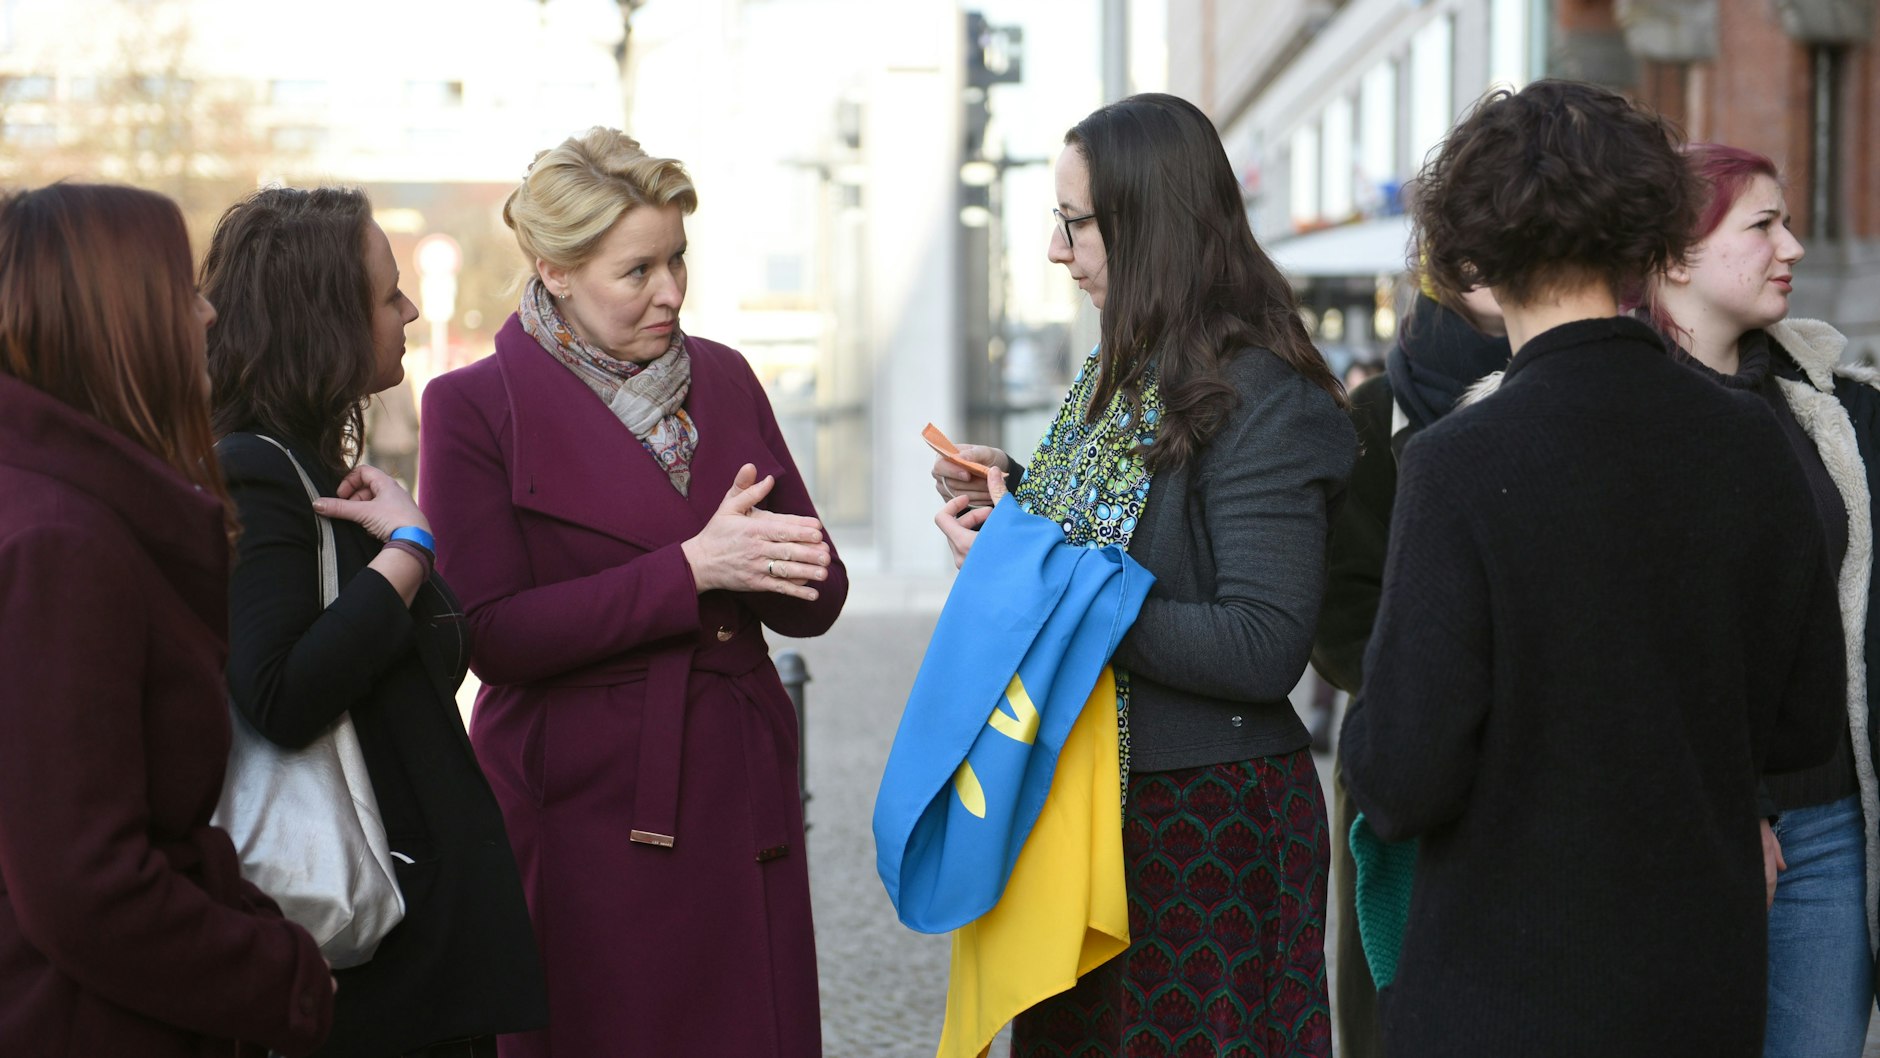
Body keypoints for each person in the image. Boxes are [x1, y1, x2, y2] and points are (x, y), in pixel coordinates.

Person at [1338, 80, 1846, 1057]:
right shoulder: (1748, 438)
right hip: (1697, 977)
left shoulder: (1456, 462)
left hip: (1503, 984)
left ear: (1474, 258)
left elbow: (1401, 772)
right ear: (1645, 236)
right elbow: (1803, 723)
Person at [932, 92, 1356, 1058]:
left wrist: (1044, 583)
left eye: (1075, 222)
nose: (1056, 250)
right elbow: (1129, 542)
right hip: (1087, 809)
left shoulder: (1266, 397)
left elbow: (1261, 645)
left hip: (1201, 831)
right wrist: (1016, 500)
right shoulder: (1121, 375)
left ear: (1149, 227)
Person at [417, 128, 846, 1058]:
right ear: (556, 272)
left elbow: (819, 596)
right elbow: (488, 635)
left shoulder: (723, 375)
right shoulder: (473, 407)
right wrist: (691, 570)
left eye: (677, 259)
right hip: (584, 803)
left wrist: (771, 562)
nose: (672, 291)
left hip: (736, 780)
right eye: (638, 270)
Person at [202, 186, 547, 1058]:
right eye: (388, 295)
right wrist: (408, 552)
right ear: (323, 322)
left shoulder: (317, 469)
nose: (411, 311)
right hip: (370, 944)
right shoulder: (257, 472)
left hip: (411, 927)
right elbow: (282, 692)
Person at [0, 183, 334, 1056]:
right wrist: (283, 976)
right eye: (182, 292)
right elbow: (83, 885)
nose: (207, 312)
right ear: (115, 322)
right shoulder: (61, 544)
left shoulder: (56, 510)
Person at [1641, 143, 1879, 1058]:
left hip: (1831, 823)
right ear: (1675, 256)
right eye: (1763, 225)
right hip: (1676, 826)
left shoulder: (1835, 411)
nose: (1794, 247)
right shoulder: (1606, 411)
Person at [1309, 281, 1509, 1058]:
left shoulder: (1563, 385)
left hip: (1535, 772)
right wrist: (1444, 695)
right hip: (1401, 758)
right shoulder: (1369, 418)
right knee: (1393, 1013)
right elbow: (1337, 610)